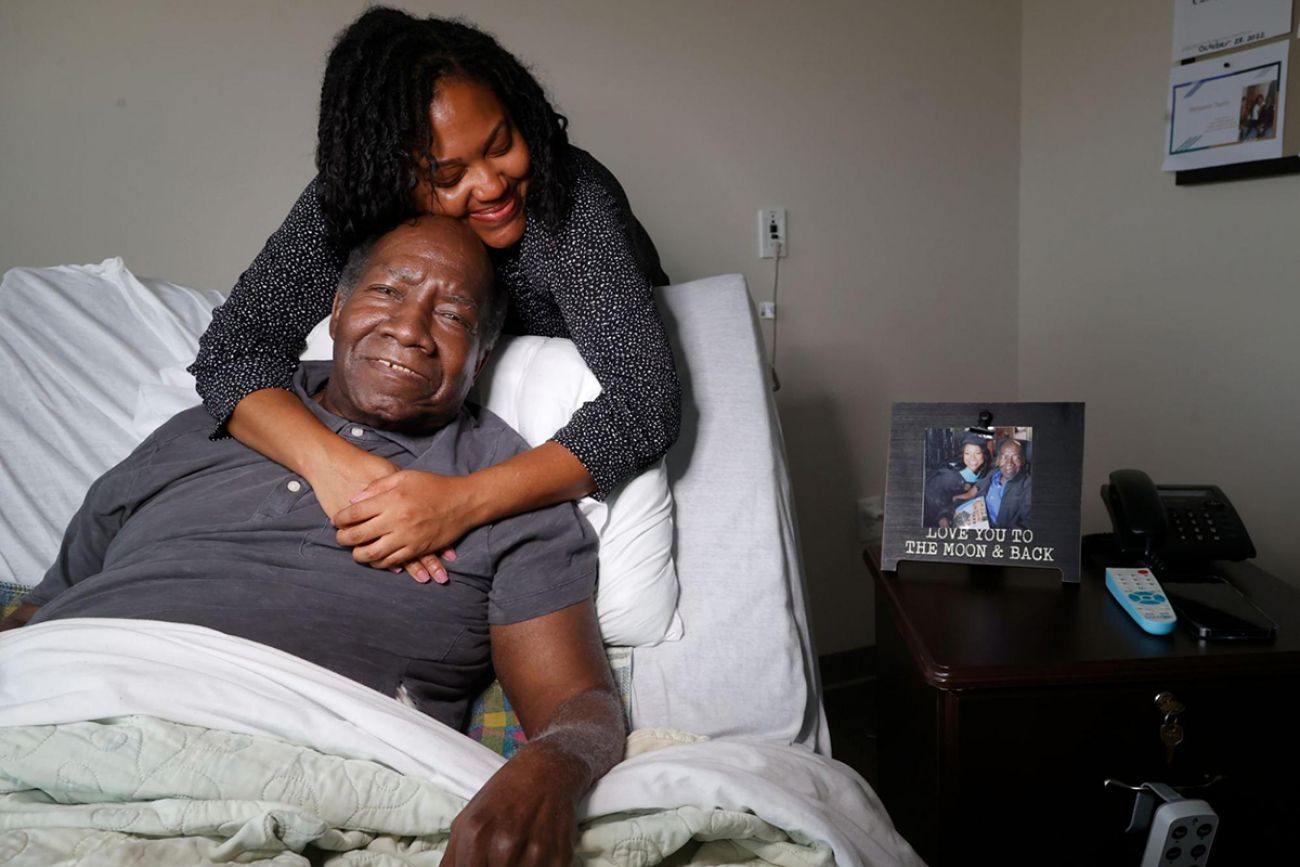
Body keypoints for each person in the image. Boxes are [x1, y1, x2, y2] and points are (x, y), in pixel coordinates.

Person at [2, 216, 624, 867]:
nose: (409, 329)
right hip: (54, 701)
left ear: (482, 356)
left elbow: (579, 704)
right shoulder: (201, 428)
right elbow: (38, 615)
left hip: (304, 754)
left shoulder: (508, 494)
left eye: (453, 316)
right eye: (387, 291)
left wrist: (551, 767)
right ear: (336, 308)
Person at [188, 6, 681, 585]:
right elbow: (232, 350)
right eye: (448, 177)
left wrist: (458, 504)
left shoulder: (569, 198)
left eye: (501, 145)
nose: (492, 185)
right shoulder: (349, 197)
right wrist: (336, 467)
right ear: (391, 176)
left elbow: (645, 403)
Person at [923, 433, 990, 528]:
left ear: (984, 454)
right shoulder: (948, 476)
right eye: (967, 453)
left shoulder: (986, 471)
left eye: (977, 453)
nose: (972, 458)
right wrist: (941, 518)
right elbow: (931, 498)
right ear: (962, 455)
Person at [972, 438, 1031, 530]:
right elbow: (973, 494)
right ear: (999, 460)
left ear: (1023, 461)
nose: (1009, 463)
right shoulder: (993, 474)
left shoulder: (1027, 485)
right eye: (1005, 457)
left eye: (1016, 457)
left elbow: (1028, 524)